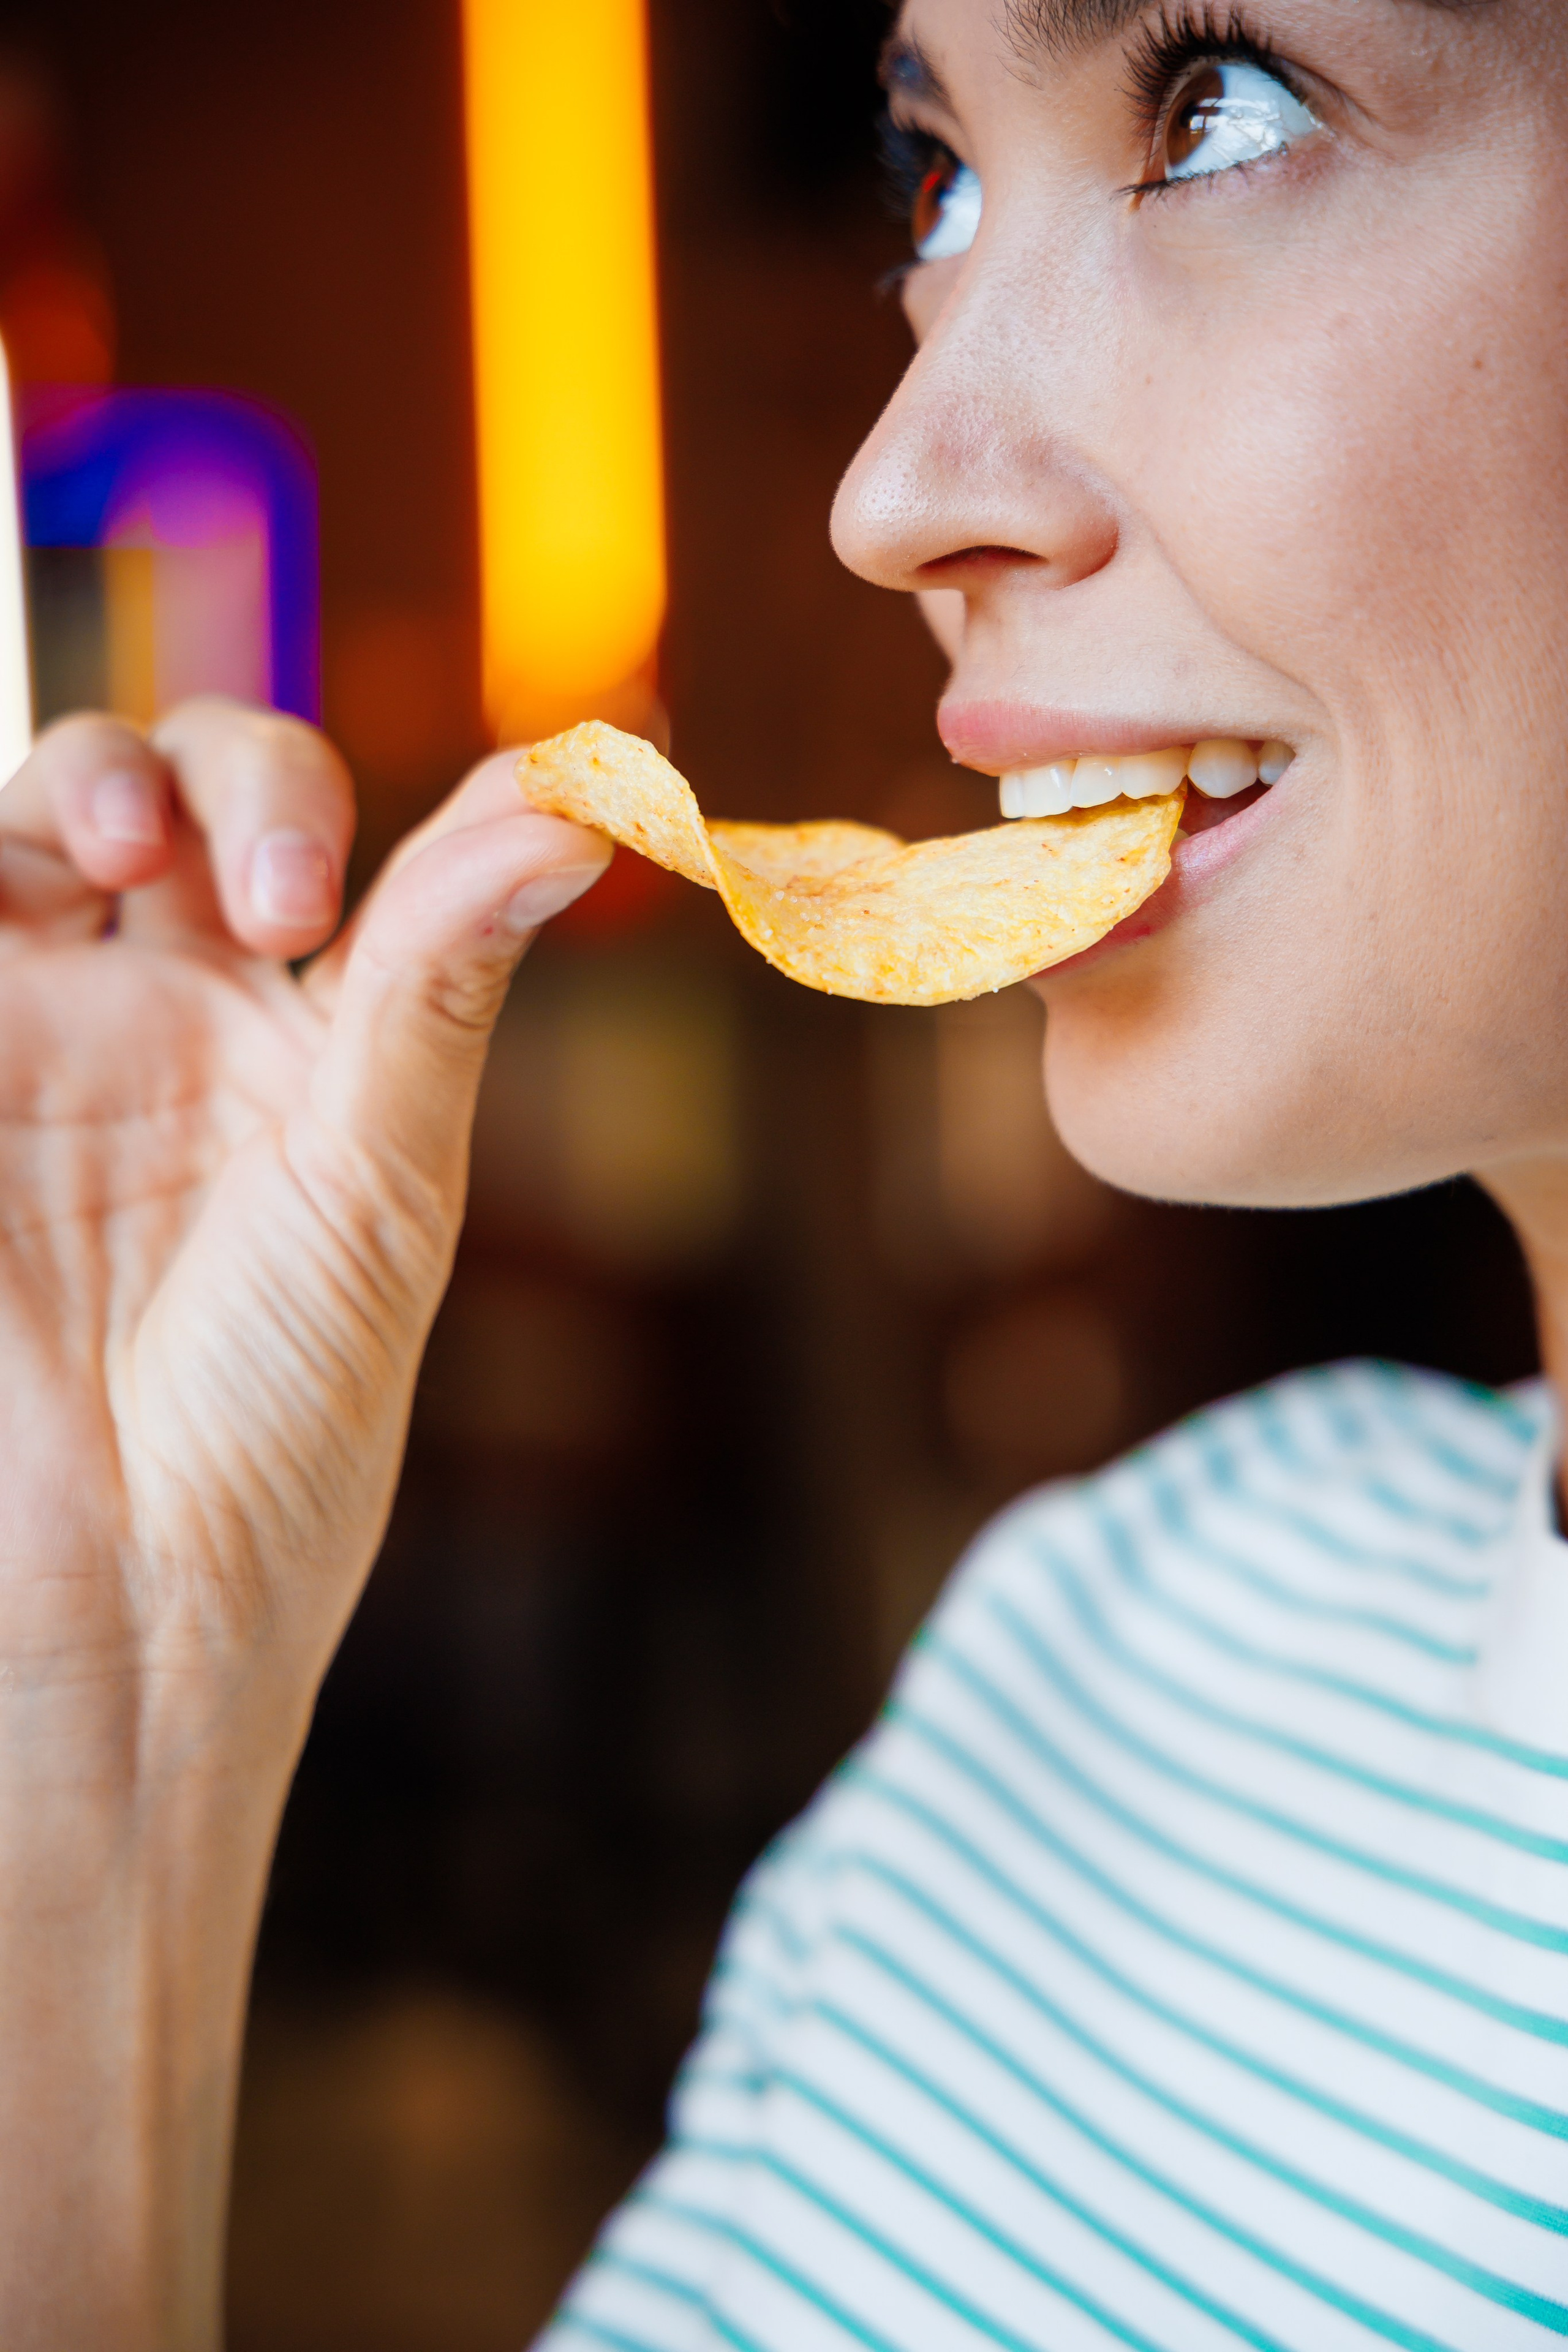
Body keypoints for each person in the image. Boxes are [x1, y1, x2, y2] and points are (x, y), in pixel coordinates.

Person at [2, 0, 1566, 2342]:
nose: (889, 490)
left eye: (1219, 106)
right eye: (931, 177)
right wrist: (104, 1724)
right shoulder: (1121, 1647)